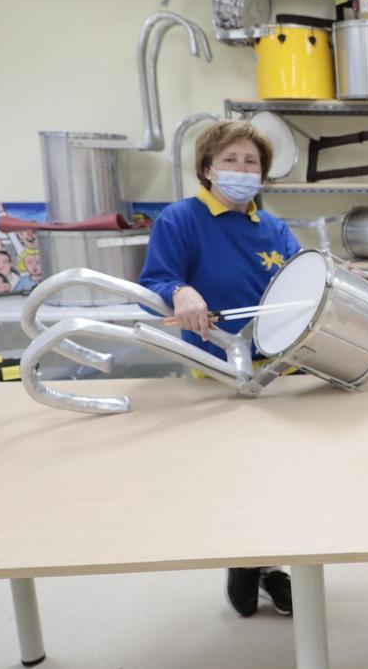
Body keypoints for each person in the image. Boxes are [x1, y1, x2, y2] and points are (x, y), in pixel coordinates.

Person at [139, 120, 300, 619]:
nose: (242, 170)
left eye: (252, 163)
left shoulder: (272, 228)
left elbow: (302, 280)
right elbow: (156, 283)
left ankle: (272, 566)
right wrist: (179, 291)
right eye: (231, 160)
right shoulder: (181, 220)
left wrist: (338, 278)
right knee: (237, 480)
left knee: (281, 477)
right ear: (208, 169)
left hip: (278, 373)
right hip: (217, 372)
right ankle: (244, 561)